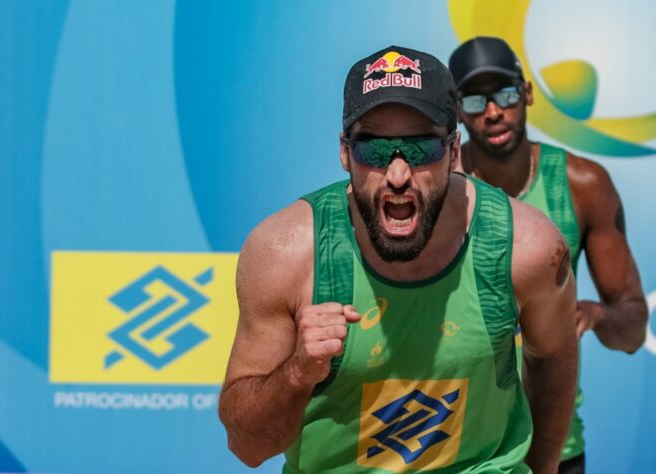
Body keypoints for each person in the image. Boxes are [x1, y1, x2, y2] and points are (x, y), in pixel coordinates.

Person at [219, 45, 578, 473]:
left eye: (421, 148)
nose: (398, 175)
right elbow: (248, 446)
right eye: (375, 149)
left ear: (453, 151)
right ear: (345, 153)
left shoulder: (526, 246)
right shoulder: (287, 252)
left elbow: (553, 356)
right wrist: (297, 372)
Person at [448, 36, 648, 474]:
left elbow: (633, 330)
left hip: (552, 448)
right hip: (459, 451)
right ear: (457, 111)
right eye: (476, 99)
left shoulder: (582, 185)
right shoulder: (441, 185)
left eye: (505, 94)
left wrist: (595, 314)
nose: (494, 111)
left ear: (528, 94)